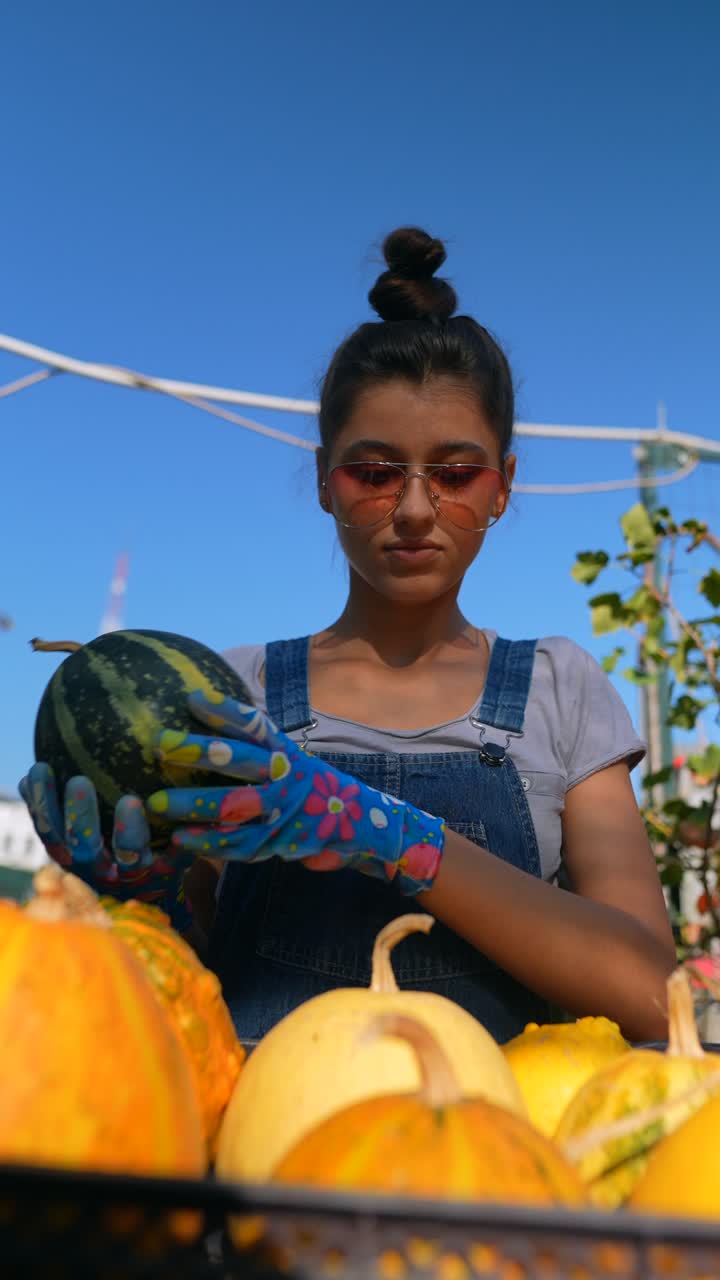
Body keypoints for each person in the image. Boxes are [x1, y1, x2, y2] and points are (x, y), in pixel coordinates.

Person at [21, 226, 676, 1046]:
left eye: (456, 473)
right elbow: (174, 1006)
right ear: (326, 480)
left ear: (504, 485)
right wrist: (131, 902)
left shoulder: (561, 686)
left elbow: (654, 993)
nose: (411, 508)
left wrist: (394, 838)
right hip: (264, 1156)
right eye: (372, 472)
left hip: (501, 1153)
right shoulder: (232, 695)